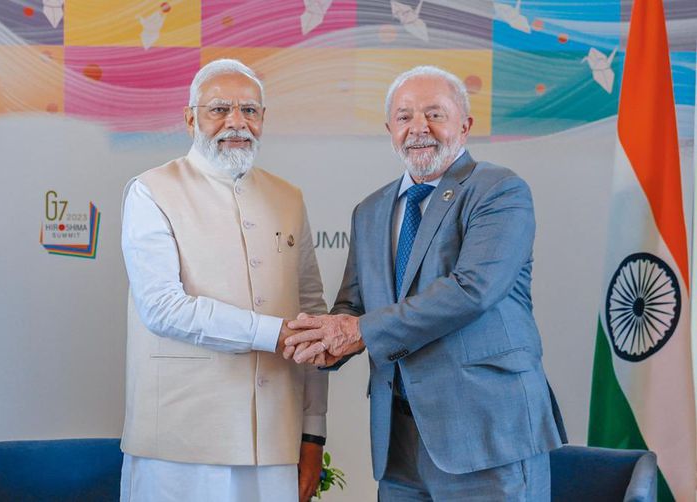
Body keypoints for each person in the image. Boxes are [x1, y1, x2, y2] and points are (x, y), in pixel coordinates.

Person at [284, 65, 566, 500]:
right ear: (389, 130)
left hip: (487, 438)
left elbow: (472, 291)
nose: (419, 128)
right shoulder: (370, 210)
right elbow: (353, 305)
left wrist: (358, 332)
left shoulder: (499, 191)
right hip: (398, 444)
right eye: (404, 117)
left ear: (465, 125)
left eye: (435, 114)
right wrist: (322, 341)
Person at [119, 59, 328, 502]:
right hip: (179, 444)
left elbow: (313, 317)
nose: (237, 122)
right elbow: (162, 307)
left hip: (276, 441)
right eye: (220, 109)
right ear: (190, 117)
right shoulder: (151, 190)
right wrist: (273, 333)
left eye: (250, 110)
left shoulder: (288, 197)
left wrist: (313, 436)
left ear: (264, 119)